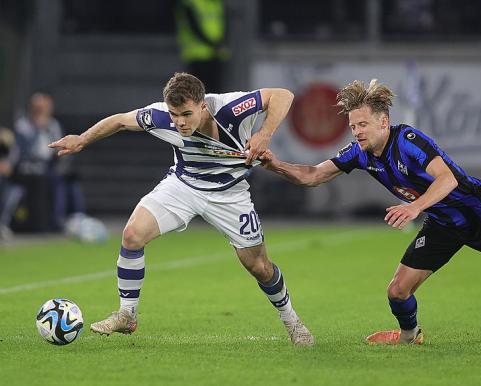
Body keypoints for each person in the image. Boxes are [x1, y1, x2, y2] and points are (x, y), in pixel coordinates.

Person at [259, 79, 481, 345]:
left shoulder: (408, 140)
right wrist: (274, 164)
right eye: (353, 126)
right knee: (398, 290)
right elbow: (313, 175)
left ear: (383, 122)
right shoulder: (359, 153)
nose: (357, 132)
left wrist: (415, 207)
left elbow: (447, 179)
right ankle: (409, 337)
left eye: (363, 125)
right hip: (445, 224)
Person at [48, 72, 314, 346]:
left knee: (259, 266)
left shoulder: (231, 108)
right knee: (132, 235)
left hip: (230, 193)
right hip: (183, 186)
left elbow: (283, 94)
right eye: (175, 114)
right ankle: (127, 314)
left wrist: (264, 134)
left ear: (203, 106)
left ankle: (292, 321)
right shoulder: (161, 116)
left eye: (187, 114)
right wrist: (82, 139)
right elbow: (119, 121)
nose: (180, 122)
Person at [14, 92, 85, 232]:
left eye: (44, 107)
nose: (41, 111)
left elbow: (58, 146)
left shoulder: (53, 125)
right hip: (28, 168)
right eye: (38, 108)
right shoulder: (23, 125)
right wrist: (37, 128)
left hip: (50, 166)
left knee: (70, 181)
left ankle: (75, 218)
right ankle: (53, 220)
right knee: (52, 181)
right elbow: (25, 151)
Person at [175, 0, 229, 93]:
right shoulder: (190, 3)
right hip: (197, 54)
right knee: (197, 92)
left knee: (214, 92)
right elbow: (193, 26)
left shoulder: (215, 3)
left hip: (215, 54)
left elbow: (224, 24)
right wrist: (214, 45)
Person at [0, 127, 24, 241]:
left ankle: (2, 225)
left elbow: (8, 168)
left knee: (14, 193)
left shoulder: (12, 148)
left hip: (9, 183)